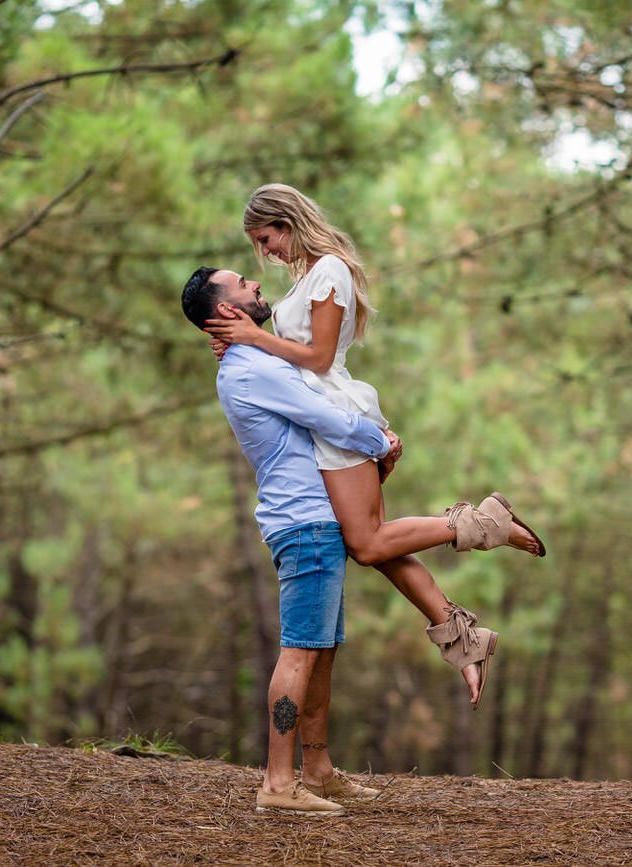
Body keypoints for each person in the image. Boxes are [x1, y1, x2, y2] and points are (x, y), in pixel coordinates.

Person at [204, 183, 545, 706]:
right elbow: (285, 351)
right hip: (320, 419)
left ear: (288, 223)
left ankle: (485, 524)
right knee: (378, 544)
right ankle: (462, 637)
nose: (265, 252)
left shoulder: (330, 271)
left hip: (336, 417)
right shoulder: (304, 280)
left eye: (266, 238)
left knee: (367, 543)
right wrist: (237, 341)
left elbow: (316, 357)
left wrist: (252, 339)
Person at [182, 266, 391, 815]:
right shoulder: (252, 369)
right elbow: (329, 419)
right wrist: (381, 439)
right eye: (244, 283)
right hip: (305, 524)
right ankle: (277, 783)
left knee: (320, 652)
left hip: (309, 521)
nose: (256, 286)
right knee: (299, 652)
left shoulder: (252, 360)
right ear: (226, 310)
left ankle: (317, 771)